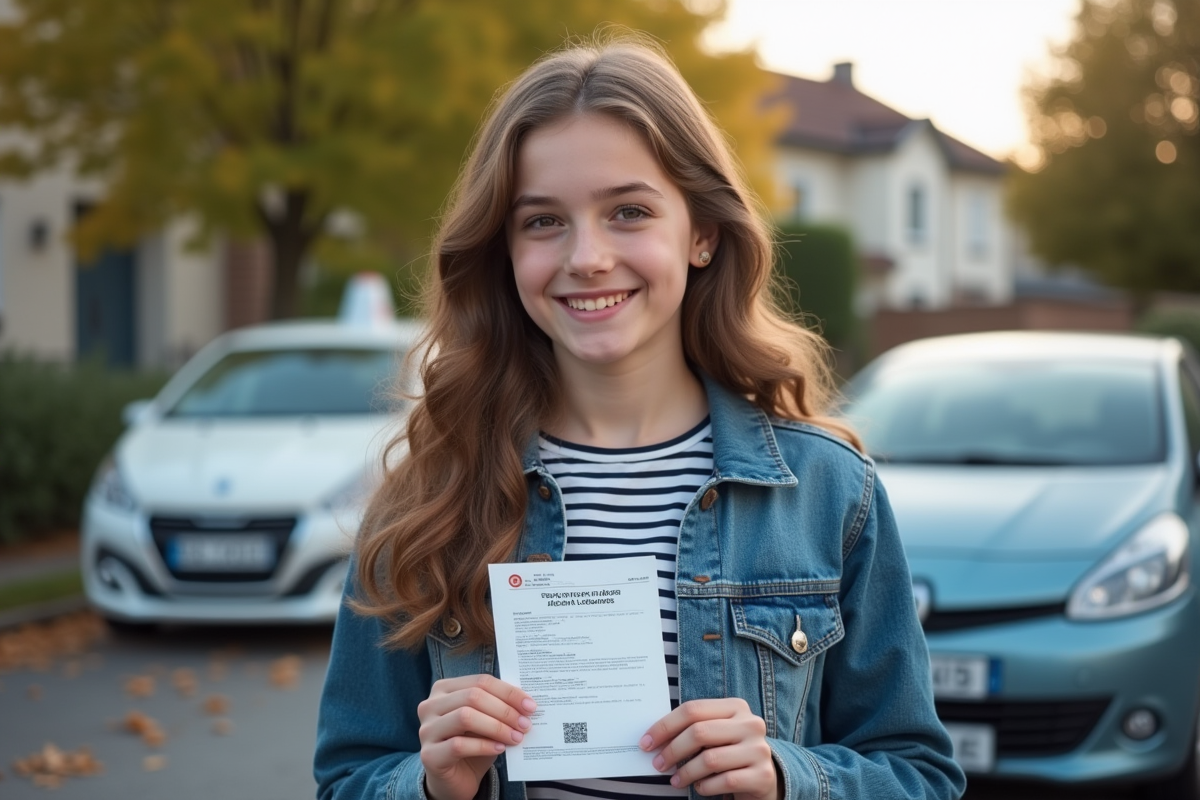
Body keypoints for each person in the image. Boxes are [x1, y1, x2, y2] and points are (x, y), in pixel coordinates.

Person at [314, 36, 966, 800]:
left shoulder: (828, 492)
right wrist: (431, 785)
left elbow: (920, 774)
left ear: (702, 234)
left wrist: (787, 778)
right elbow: (347, 778)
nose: (587, 257)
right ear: (504, 250)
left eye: (628, 212)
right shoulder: (428, 497)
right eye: (542, 221)